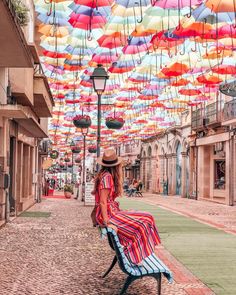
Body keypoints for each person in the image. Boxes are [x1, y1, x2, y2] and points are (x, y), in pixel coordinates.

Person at [93, 148, 161, 265]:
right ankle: (133, 255)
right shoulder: (107, 177)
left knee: (147, 218)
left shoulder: (105, 175)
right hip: (109, 214)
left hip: (111, 212)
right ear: (116, 165)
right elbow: (103, 202)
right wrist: (107, 222)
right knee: (145, 220)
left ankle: (135, 254)